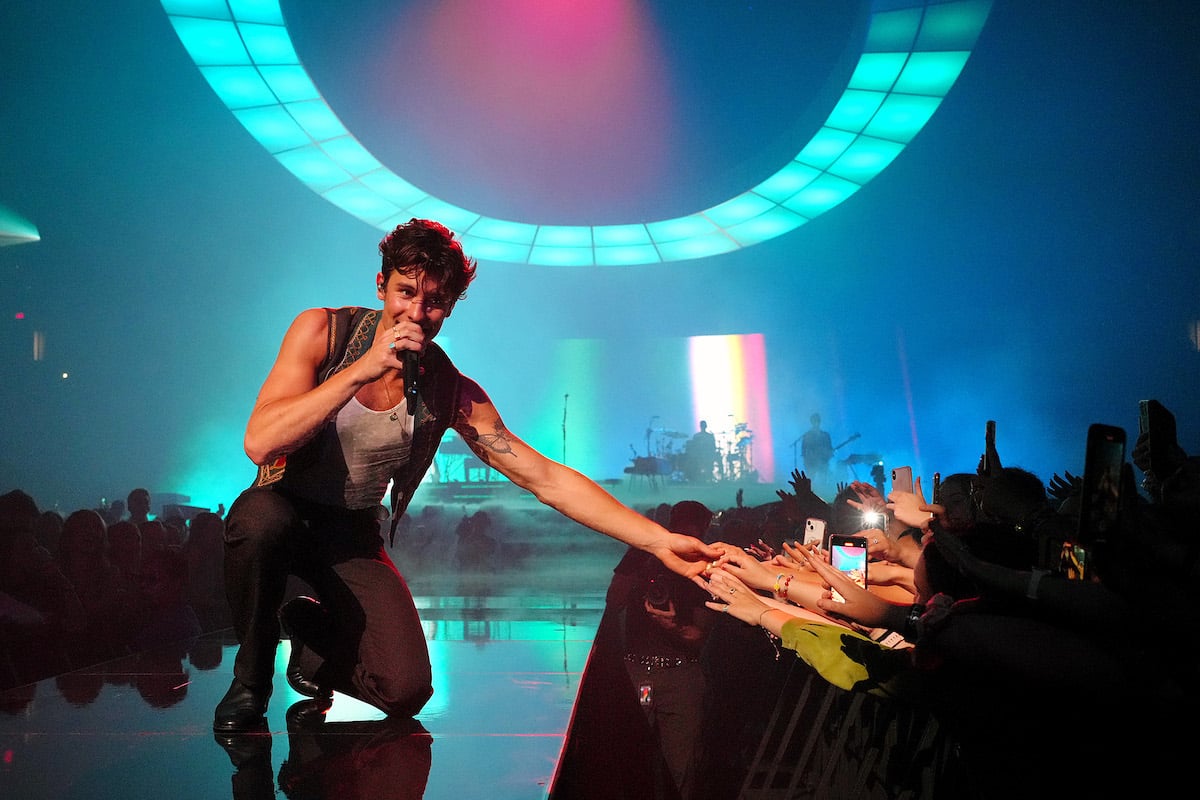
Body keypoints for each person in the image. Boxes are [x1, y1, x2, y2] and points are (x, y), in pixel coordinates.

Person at [213, 218, 723, 733]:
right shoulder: (325, 331)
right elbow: (260, 441)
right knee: (258, 521)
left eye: (434, 301)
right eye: (405, 292)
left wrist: (658, 541)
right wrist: (360, 371)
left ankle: (313, 648)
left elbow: (546, 479)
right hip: (286, 508)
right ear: (380, 284)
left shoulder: (449, 391)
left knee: (406, 689)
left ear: (451, 306)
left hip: (351, 533)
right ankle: (252, 680)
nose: (416, 312)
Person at [800, 413, 834, 490]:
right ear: (811, 422)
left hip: (823, 461)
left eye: (817, 421)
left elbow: (829, 448)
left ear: (819, 422)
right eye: (814, 421)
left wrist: (829, 455)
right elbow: (804, 450)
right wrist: (806, 461)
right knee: (810, 481)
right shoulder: (807, 435)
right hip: (811, 462)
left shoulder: (825, 435)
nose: (816, 423)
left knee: (823, 481)